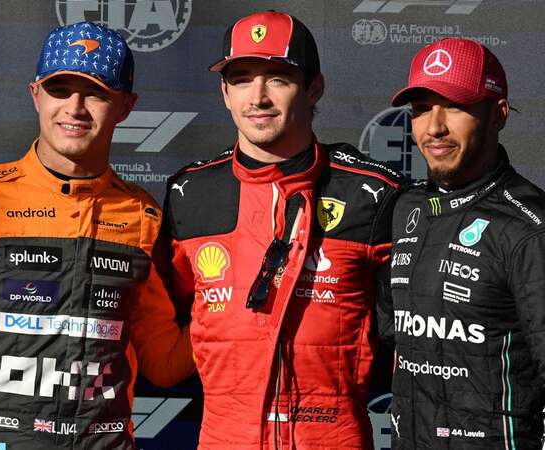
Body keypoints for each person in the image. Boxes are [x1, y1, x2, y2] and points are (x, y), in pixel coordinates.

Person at [0, 21, 194, 450]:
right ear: (35, 94)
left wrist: (228, 313)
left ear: (125, 106)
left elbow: (162, 363)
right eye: (60, 89)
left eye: (97, 92)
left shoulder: (144, 217)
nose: (75, 107)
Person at [156, 10, 403, 450]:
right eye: (242, 78)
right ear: (224, 93)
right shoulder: (190, 193)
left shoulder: (373, 194)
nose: (259, 96)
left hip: (332, 438)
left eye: (278, 78)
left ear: (314, 88)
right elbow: (158, 321)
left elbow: (410, 335)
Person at [385, 37, 545, 449]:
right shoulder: (405, 209)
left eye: (455, 106)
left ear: (499, 115)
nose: (434, 126)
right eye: (421, 109)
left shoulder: (529, 227)